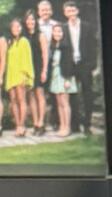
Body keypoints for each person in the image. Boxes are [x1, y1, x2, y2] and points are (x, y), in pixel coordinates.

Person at [61, 1, 95, 134]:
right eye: (68, 11)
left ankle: (87, 124)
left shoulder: (87, 27)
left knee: (88, 95)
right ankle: (75, 125)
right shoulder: (63, 28)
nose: (71, 13)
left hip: (85, 65)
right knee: (72, 96)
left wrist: (92, 64)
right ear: (65, 13)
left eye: (73, 10)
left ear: (77, 11)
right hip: (70, 66)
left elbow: (93, 46)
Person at [5, 18, 33, 137]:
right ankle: (17, 126)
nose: (16, 29)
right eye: (14, 27)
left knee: (22, 100)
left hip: (21, 74)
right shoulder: (10, 43)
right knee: (13, 101)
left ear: (21, 28)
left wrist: (25, 75)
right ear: (11, 29)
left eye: (18, 26)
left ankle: (22, 126)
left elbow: (27, 59)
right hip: (11, 75)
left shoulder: (24, 41)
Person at [46, 22, 72, 137]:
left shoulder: (66, 46)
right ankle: (62, 126)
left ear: (63, 33)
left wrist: (68, 79)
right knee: (59, 103)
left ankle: (67, 127)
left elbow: (69, 64)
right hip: (55, 76)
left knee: (65, 102)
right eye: (55, 31)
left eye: (59, 31)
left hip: (64, 76)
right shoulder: (53, 46)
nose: (57, 33)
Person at [35, 1, 57, 129]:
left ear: (51, 11)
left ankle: (55, 121)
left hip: (55, 62)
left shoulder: (56, 24)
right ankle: (39, 121)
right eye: (43, 10)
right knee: (40, 92)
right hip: (40, 64)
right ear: (38, 12)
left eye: (47, 9)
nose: (45, 12)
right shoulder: (34, 25)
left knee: (55, 92)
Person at [23, 10, 44, 134]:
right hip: (28, 69)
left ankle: (41, 123)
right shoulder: (24, 36)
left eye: (32, 19)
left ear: (35, 21)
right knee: (31, 97)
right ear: (25, 22)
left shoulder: (40, 35)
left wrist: (44, 70)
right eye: (28, 19)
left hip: (39, 67)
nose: (30, 21)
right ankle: (35, 123)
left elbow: (45, 54)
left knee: (39, 95)